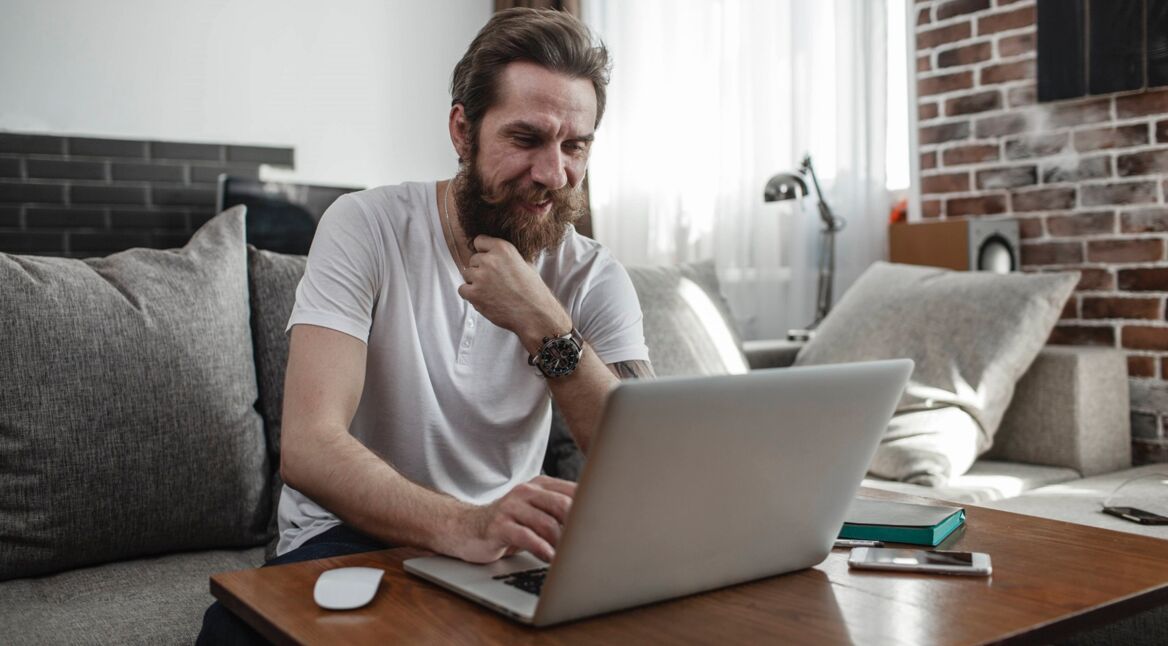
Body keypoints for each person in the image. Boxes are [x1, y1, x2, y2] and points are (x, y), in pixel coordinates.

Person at [198, 8, 652, 643]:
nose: (554, 174)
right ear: (462, 131)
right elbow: (309, 445)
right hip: (345, 535)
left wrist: (547, 327)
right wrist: (469, 524)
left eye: (574, 145)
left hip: (504, 549)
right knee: (232, 634)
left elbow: (641, 465)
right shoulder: (366, 226)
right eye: (526, 139)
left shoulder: (594, 277)